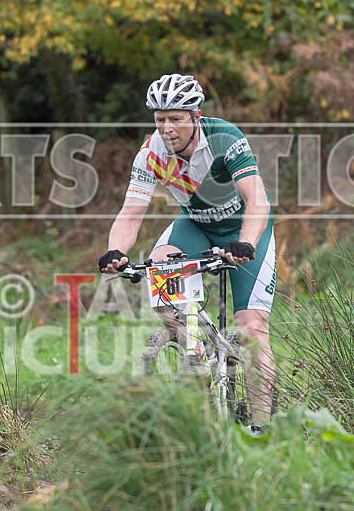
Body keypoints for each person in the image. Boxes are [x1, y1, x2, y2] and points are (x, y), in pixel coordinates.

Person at [98, 73, 277, 431]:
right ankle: (197, 352)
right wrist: (115, 251)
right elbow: (131, 212)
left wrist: (246, 243)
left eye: (176, 118)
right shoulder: (151, 153)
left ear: (196, 116)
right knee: (158, 264)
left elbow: (256, 199)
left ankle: (261, 429)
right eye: (160, 119)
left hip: (244, 229)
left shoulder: (225, 139)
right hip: (196, 224)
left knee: (253, 328)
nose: (167, 128)